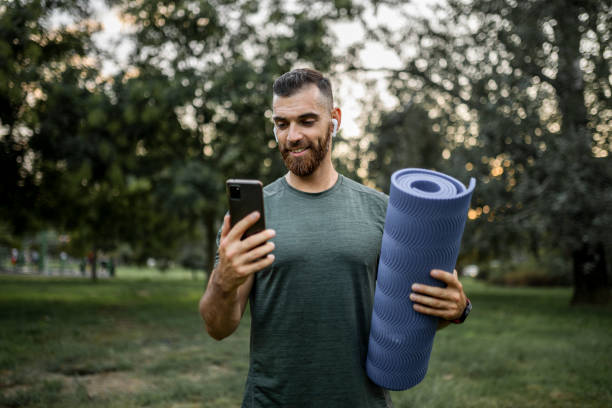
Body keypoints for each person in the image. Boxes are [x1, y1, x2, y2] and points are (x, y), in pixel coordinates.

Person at [199, 68, 470, 407]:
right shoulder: (251, 217)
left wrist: (456, 309)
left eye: (307, 121)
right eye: (282, 124)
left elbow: (413, 315)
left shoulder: (383, 211)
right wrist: (222, 281)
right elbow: (217, 327)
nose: (293, 136)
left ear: (334, 120)